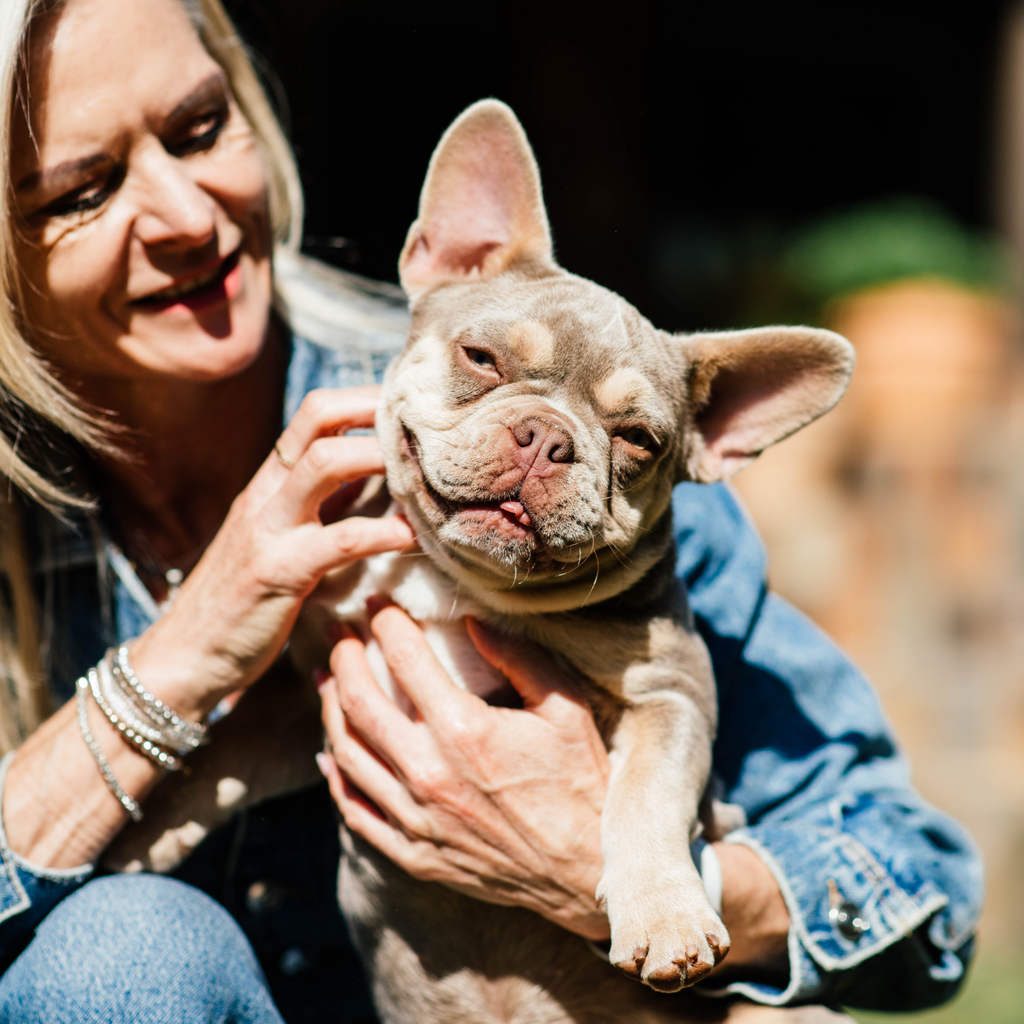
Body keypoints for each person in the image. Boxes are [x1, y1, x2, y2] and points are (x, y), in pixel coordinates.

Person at [0, 0, 982, 1020]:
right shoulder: (325, 517)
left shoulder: (650, 544)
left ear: (707, 440)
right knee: (117, 954)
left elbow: (922, 885)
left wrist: (612, 867)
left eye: (201, 127)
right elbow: (295, 726)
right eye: (81, 189)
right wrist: (181, 659)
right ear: (445, 260)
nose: (541, 450)